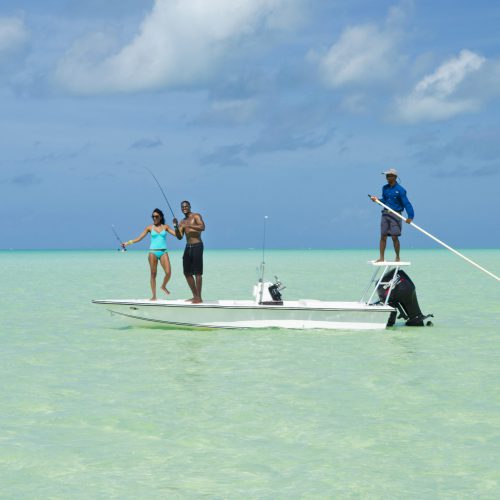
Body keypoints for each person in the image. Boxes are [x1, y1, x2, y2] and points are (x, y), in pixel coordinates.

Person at [122, 208, 177, 301]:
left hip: (163, 252)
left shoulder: (165, 227)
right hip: (153, 252)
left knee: (168, 273)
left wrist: (176, 225)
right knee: (153, 274)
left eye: (156, 216)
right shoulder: (149, 228)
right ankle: (154, 296)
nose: (154, 218)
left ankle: (163, 286)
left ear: (160, 217)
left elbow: (177, 235)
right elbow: (139, 238)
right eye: (153, 216)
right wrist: (127, 243)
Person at [370, 168, 414, 262]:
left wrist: (410, 216)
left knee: (394, 236)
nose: (387, 177)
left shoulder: (401, 190)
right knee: (383, 236)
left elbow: (406, 203)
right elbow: (384, 201)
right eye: (386, 175)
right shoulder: (384, 188)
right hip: (385, 214)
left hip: (396, 215)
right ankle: (381, 258)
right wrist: (377, 200)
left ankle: (397, 257)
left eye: (389, 175)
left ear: (394, 177)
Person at [173, 201, 205, 303]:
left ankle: (199, 297)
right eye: (182, 207)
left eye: (186, 206)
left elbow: (202, 227)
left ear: (190, 207)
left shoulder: (196, 216)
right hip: (188, 247)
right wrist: (175, 227)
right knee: (186, 272)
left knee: (198, 273)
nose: (184, 208)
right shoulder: (182, 222)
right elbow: (179, 237)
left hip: (197, 245)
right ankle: (195, 296)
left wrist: (189, 226)